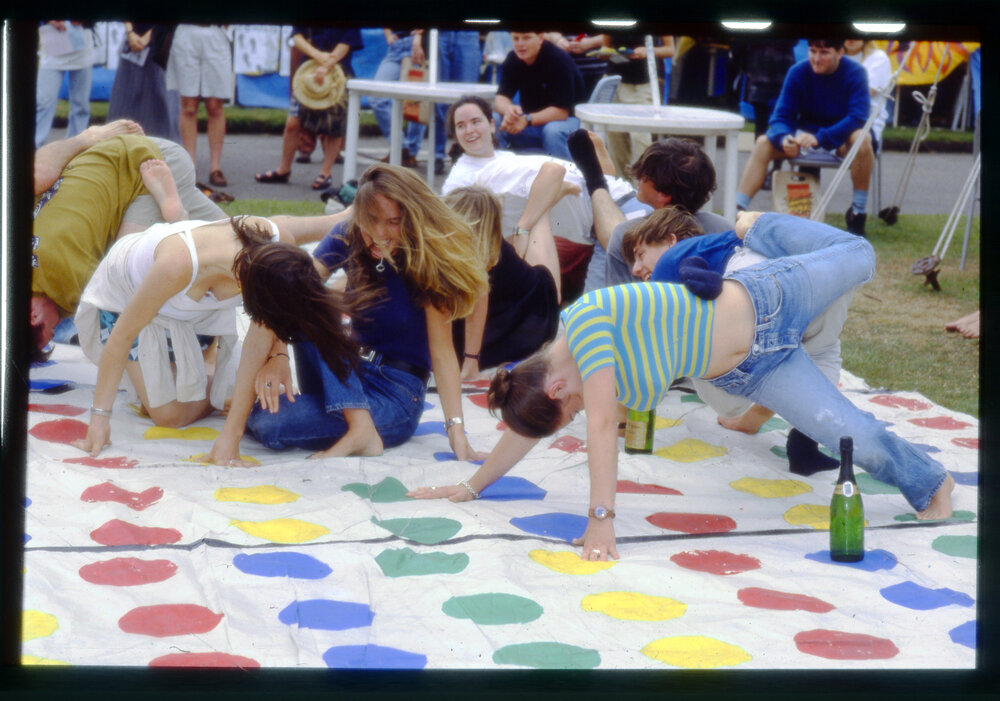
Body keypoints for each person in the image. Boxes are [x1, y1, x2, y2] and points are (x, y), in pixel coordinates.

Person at [410, 212, 954, 560]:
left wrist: (600, 521)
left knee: (862, 255)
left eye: (569, 410)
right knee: (848, 436)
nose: (581, 413)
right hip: (753, 370)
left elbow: (601, 425)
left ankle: (754, 226)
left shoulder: (587, 325)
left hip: (770, 299)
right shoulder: (555, 379)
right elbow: (528, 428)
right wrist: (472, 487)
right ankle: (933, 486)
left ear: (556, 388)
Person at [207, 164, 489, 465]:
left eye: (393, 222)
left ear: (411, 217)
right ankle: (353, 424)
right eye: (372, 221)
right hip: (345, 374)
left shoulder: (428, 259)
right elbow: (286, 294)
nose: (381, 234)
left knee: (268, 424)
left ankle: (362, 431)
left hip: (394, 393)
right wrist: (278, 356)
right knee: (300, 290)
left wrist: (456, 432)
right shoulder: (349, 235)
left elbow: (442, 352)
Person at [71, 214, 357, 458]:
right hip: (131, 300)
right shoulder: (177, 265)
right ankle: (217, 380)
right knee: (168, 416)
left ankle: (339, 218)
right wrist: (99, 420)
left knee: (177, 399)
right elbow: (122, 337)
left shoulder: (277, 249)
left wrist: (278, 355)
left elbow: (264, 331)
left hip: (194, 314)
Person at [621, 206, 851, 475]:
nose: (636, 270)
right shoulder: (725, 247)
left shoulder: (675, 263)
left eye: (640, 255)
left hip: (769, 285)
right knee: (823, 350)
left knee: (730, 389)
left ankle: (798, 439)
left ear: (671, 241)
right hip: (825, 275)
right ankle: (804, 443)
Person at [443, 95, 645, 302]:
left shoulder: (504, 160)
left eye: (476, 122)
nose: (469, 130)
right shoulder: (468, 178)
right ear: (454, 134)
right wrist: (524, 228)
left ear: (492, 125)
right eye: (461, 126)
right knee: (596, 313)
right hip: (610, 220)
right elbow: (553, 172)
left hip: (619, 205)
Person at [735, 39, 872, 236]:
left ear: (840, 53)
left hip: (840, 137)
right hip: (803, 137)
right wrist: (783, 138)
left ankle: (858, 213)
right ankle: (738, 209)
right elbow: (780, 117)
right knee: (763, 142)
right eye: (813, 51)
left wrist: (821, 138)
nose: (816, 59)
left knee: (863, 138)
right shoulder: (798, 71)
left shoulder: (856, 72)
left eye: (824, 53)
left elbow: (858, 117)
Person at [563, 130, 728, 292]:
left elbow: (616, 303)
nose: (637, 179)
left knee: (609, 235)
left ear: (663, 195)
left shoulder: (627, 234)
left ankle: (597, 181)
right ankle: (604, 180)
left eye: (644, 177)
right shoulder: (724, 229)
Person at [444, 166, 567, 381]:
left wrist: (470, 362)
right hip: (499, 313)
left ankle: (543, 208)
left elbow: (554, 169)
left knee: (541, 229)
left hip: (531, 302)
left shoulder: (481, 253)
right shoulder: (464, 246)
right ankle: (538, 213)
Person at [255, 25, 363, 190]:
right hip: (307, 72)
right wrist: (319, 57)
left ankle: (325, 173)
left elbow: (347, 42)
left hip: (338, 73)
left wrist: (328, 65)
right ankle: (283, 169)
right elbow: (297, 36)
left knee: (333, 127)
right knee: (293, 123)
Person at [493, 32, 585, 160]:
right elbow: (501, 98)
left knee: (552, 131)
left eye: (526, 38)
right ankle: (496, 172)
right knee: (494, 121)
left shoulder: (558, 59)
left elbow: (561, 112)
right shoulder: (513, 58)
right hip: (531, 122)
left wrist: (526, 119)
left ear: (540, 38)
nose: (520, 44)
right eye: (516, 38)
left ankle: (565, 175)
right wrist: (508, 110)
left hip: (569, 122)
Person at [167, 24, 234, 187]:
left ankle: (215, 168)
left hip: (215, 31)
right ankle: (190, 168)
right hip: (186, 32)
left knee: (215, 106)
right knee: (189, 106)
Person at [107, 23, 180, 141]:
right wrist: (130, 33)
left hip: (161, 44)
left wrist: (150, 35)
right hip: (132, 43)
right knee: (125, 102)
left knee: (163, 104)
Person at [371, 29, 427, 168]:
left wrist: (419, 36)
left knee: (416, 103)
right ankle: (401, 148)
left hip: (419, 45)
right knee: (377, 98)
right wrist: (389, 34)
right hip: (396, 48)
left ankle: (411, 152)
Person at [35, 20, 96, 148]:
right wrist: (51, 20)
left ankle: (75, 146)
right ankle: (36, 146)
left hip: (82, 43)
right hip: (53, 41)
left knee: (81, 102)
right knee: (44, 100)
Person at [843, 39, 891, 151]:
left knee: (860, 143)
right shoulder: (829, 55)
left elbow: (865, 94)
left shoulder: (878, 58)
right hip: (829, 119)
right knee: (806, 137)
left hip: (864, 122)